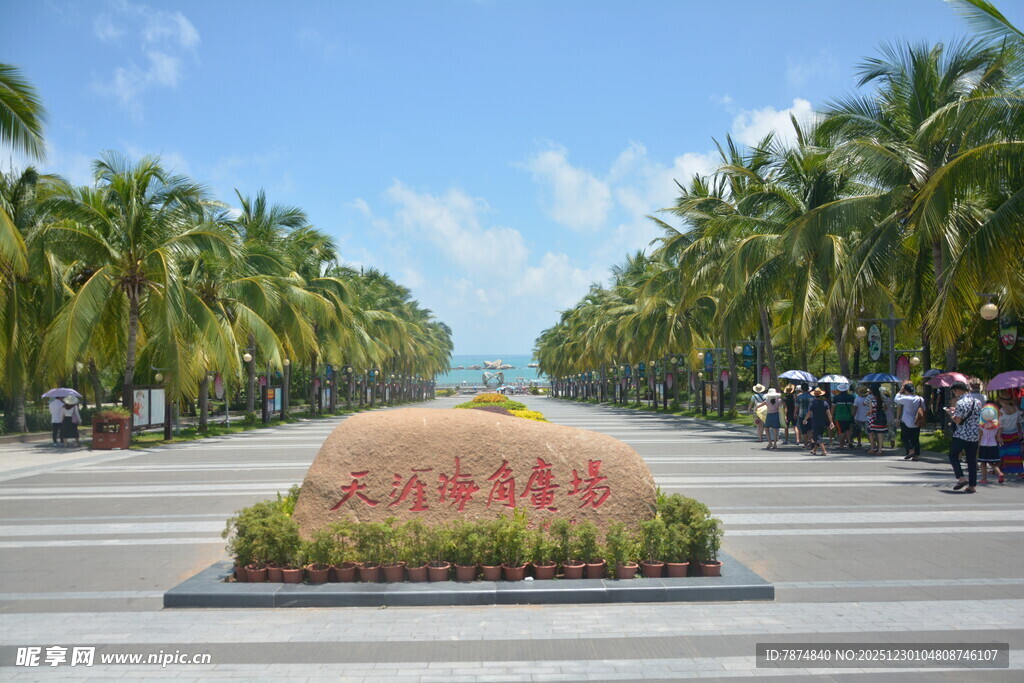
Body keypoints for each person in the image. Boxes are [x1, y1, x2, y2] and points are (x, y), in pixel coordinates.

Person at [946, 381, 982, 493]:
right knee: (971, 460)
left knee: (953, 455)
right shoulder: (977, 402)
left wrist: (951, 414)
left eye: (954, 391)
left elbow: (958, 420)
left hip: (962, 434)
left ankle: (961, 478)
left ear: (957, 390)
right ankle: (972, 485)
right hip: (974, 435)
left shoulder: (960, 402)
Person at [895, 383, 925, 460]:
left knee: (904, 437)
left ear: (906, 390)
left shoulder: (906, 398)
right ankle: (916, 455)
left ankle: (911, 450)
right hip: (917, 421)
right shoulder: (920, 399)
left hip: (906, 421)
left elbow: (896, 399)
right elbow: (924, 408)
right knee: (915, 439)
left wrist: (900, 391)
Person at [997, 390, 1023, 479]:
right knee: (1015, 452)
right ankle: (1019, 471)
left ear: (1001, 401)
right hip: (1014, 433)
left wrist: (998, 436)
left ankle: (1000, 469)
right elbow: (1019, 422)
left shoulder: (1002, 411)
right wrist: (1020, 432)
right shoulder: (1015, 409)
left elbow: (1001, 426)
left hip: (1004, 434)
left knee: (1003, 452)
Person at [804, 387, 834, 456]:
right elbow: (828, 413)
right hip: (823, 422)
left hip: (815, 422)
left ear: (814, 395)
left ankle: (824, 451)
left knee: (817, 437)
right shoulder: (825, 403)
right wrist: (831, 422)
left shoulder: (812, 403)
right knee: (819, 436)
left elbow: (809, 413)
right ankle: (814, 450)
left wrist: (805, 419)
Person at [978, 402, 1003, 484]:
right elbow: (997, 437)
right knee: (992, 462)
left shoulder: (981, 426)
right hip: (993, 445)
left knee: (983, 463)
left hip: (983, 445)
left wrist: (977, 444)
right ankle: (999, 473)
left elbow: (980, 437)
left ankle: (984, 478)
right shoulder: (996, 425)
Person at [866, 385, 889, 455]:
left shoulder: (870, 398)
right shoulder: (882, 398)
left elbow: (870, 411)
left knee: (871, 433)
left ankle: (872, 448)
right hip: (880, 417)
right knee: (880, 434)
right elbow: (885, 408)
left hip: (873, 418)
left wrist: (867, 414)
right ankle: (880, 450)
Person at [832, 383, 854, 449]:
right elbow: (853, 407)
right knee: (847, 430)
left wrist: (831, 416)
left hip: (839, 417)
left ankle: (841, 445)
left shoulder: (836, 397)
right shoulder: (851, 397)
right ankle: (850, 442)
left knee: (841, 431)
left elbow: (833, 408)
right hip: (848, 416)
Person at [796, 383, 813, 448]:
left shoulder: (799, 397)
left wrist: (795, 413)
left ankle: (806, 443)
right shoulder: (812, 397)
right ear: (808, 389)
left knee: (804, 430)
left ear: (802, 389)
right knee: (810, 429)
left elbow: (797, 406)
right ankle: (811, 441)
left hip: (802, 415)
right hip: (810, 415)